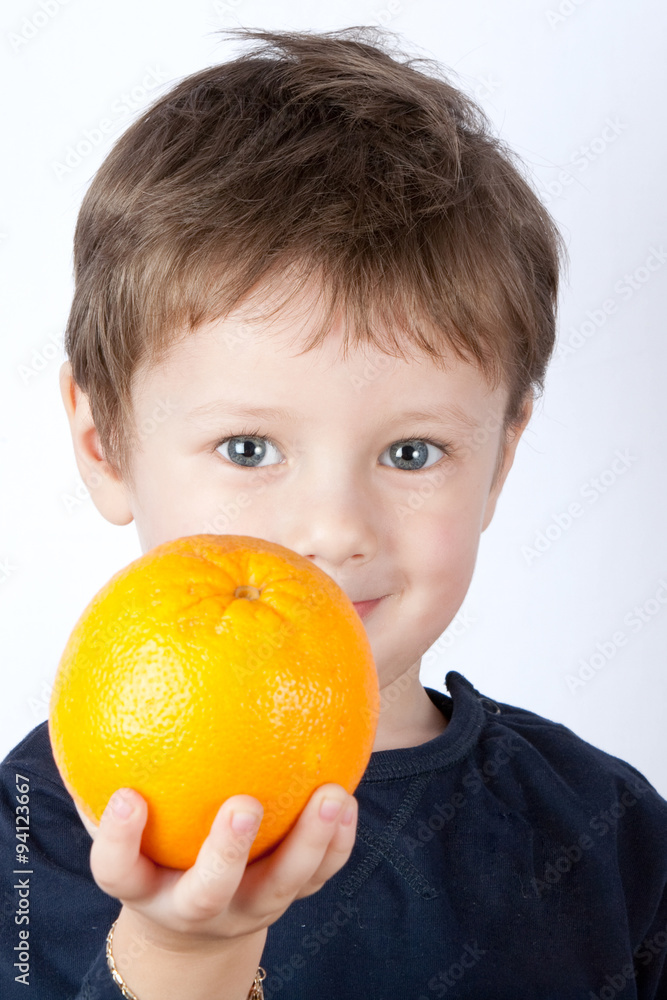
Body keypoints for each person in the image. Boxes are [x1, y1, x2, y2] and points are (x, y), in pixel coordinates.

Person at [1, 24, 666, 1000]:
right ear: (103, 444)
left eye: (410, 451)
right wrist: (183, 957)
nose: (330, 527)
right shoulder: (30, 834)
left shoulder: (605, 827)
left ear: (498, 460)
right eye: (248, 448)